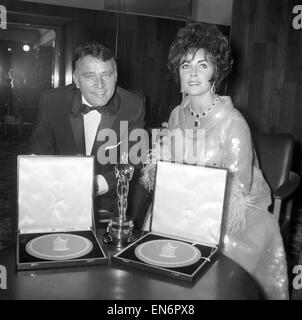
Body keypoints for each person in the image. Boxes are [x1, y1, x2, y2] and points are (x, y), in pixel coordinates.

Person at [140, 23, 289, 299]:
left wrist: (193, 212)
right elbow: (167, 166)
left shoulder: (234, 123)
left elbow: (238, 191)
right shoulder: (175, 114)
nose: (193, 73)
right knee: (153, 227)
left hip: (230, 213)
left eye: (202, 65)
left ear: (216, 72)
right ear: (178, 74)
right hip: (183, 203)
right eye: (185, 66)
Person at [29, 41, 146, 217]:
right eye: (90, 76)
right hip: (61, 196)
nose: (100, 85)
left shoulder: (133, 105)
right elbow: (37, 156)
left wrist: (96, 185)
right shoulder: (52, 102)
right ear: (76, 79)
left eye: (106, 74)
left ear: (116, 76)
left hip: (109, 203)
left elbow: (135, 160)